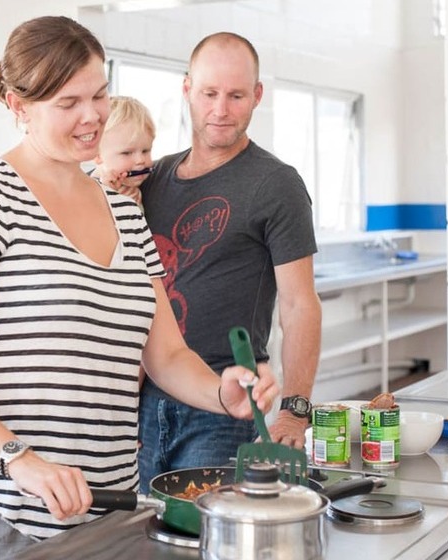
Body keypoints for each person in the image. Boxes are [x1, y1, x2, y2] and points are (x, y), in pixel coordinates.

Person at [0, 17, 279, 560]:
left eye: (99, 95)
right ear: (19, 106)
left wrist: (219, 393)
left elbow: (166, 354)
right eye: (67, 103)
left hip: (113, 504)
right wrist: (20, 460)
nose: (91, 117)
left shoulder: (126, 214)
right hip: (16, 511)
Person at [137, 31, 322, 491]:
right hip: (142, 403)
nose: (220, 109)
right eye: (209, 93)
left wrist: (294, 412)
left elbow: (299, 304)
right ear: (187, 90)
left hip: (226, 408)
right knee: (141, 529)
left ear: (257, 95)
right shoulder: (151, 178)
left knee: (208, 528)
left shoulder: (276, 184)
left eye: (236, 96)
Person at [92, 95, 156, 206]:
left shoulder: (134, 189)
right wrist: (107, 195)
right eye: (127, 153)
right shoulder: (89, 191)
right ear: (97, 155)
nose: (140, 160)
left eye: (145, 151)